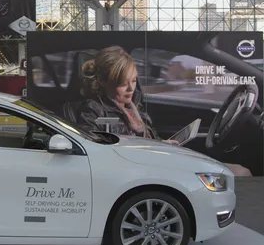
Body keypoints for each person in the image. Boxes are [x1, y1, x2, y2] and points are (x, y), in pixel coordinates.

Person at [75, 45, 252, 176]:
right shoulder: (93, 111)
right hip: (142, 172)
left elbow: (146, 140)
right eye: (123, 83)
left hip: (158, 163)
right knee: (240, 173)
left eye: (134, 80)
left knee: (240, 171)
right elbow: (98, 156)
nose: (130, 88)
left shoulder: (133, 105)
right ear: (105, 82)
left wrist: (162, 144)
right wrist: (156, 150)